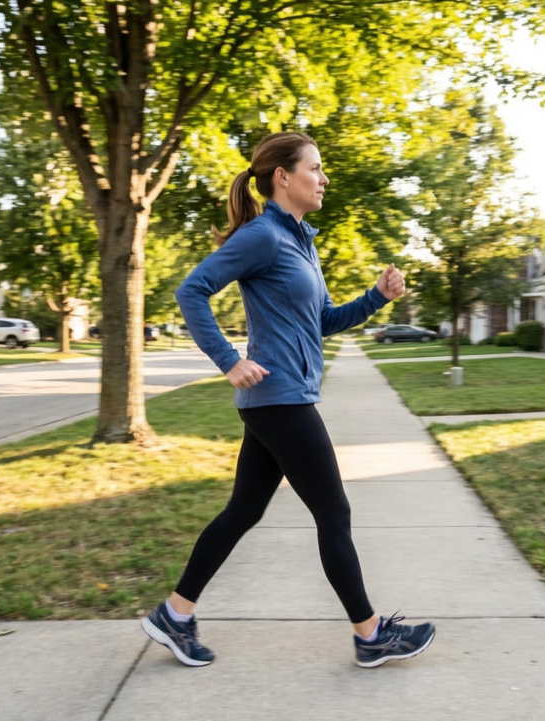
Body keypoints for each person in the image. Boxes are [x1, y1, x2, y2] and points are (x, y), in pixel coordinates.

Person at [141, 131, 435, 668]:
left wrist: (377, 297)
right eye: (315, 169)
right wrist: (229, 360)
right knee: (333, 512)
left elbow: (322, 321)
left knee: (243, 511)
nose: (324, 179)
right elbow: (192, 290)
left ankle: (174, 614)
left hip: (280, 398)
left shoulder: (301, 240)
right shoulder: (262, 236)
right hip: (280, 399)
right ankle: (370, 635)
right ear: (284, 176)